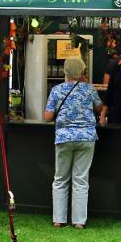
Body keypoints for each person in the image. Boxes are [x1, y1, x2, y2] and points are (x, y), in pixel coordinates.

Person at [44, 56, 103, 229]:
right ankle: (79, 222)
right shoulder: (89, 89)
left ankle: (58, 220)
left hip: (64, 137)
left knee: (61, 178)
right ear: (83, 71)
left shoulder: (57, 90)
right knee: (81, 179)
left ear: (65, 72)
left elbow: (47, 117)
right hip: (86, 137)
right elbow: (99, 107)